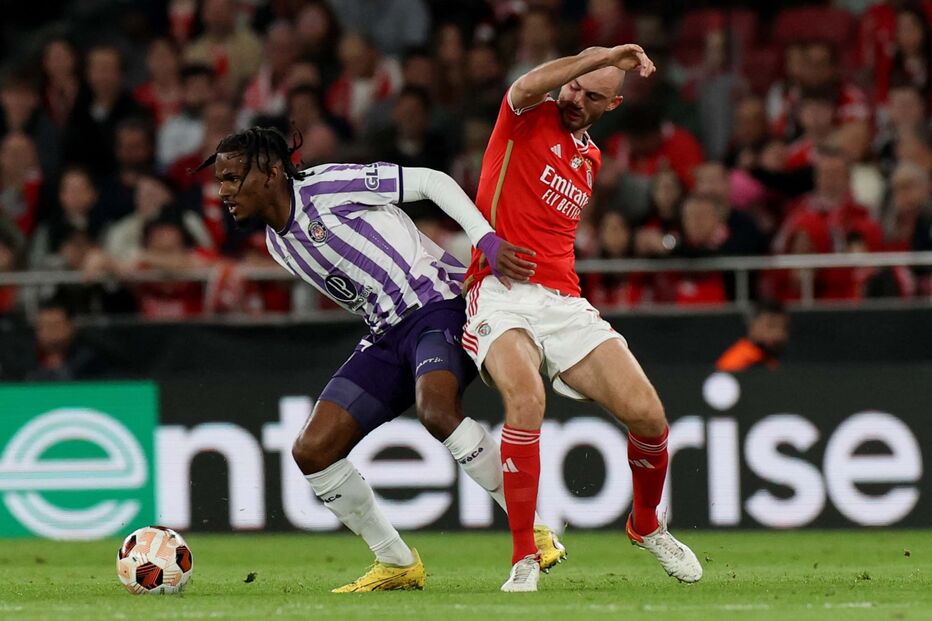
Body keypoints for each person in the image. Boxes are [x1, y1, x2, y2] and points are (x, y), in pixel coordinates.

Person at [195, 126, 564, 592]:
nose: (222, 191)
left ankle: (532, 527)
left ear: (270, 172)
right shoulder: (276, 242)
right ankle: (396, 561)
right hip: (387, 333)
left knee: (436, 409)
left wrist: (484, 240)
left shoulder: (327, 186)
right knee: (313, 451)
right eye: (220, 180)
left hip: (440, 304)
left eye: (231, 178)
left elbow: (431, 182)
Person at [461, 44, 703, 592]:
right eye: (573, 87)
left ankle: (645, 527)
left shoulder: (589, 158)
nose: (575, 99)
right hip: (498, 291)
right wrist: (598, 56)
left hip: (564, 302)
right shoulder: (524, 116)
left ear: (612, 104)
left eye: (592, 95)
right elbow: (530, 83)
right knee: (525, 399)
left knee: (650, 418)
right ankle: (525, 556)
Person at [716, 302, 790, 372]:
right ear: (752, 326)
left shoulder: (770, 361)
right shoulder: (735, 363)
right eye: (771, 326)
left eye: (784, 328)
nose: (778, 334)